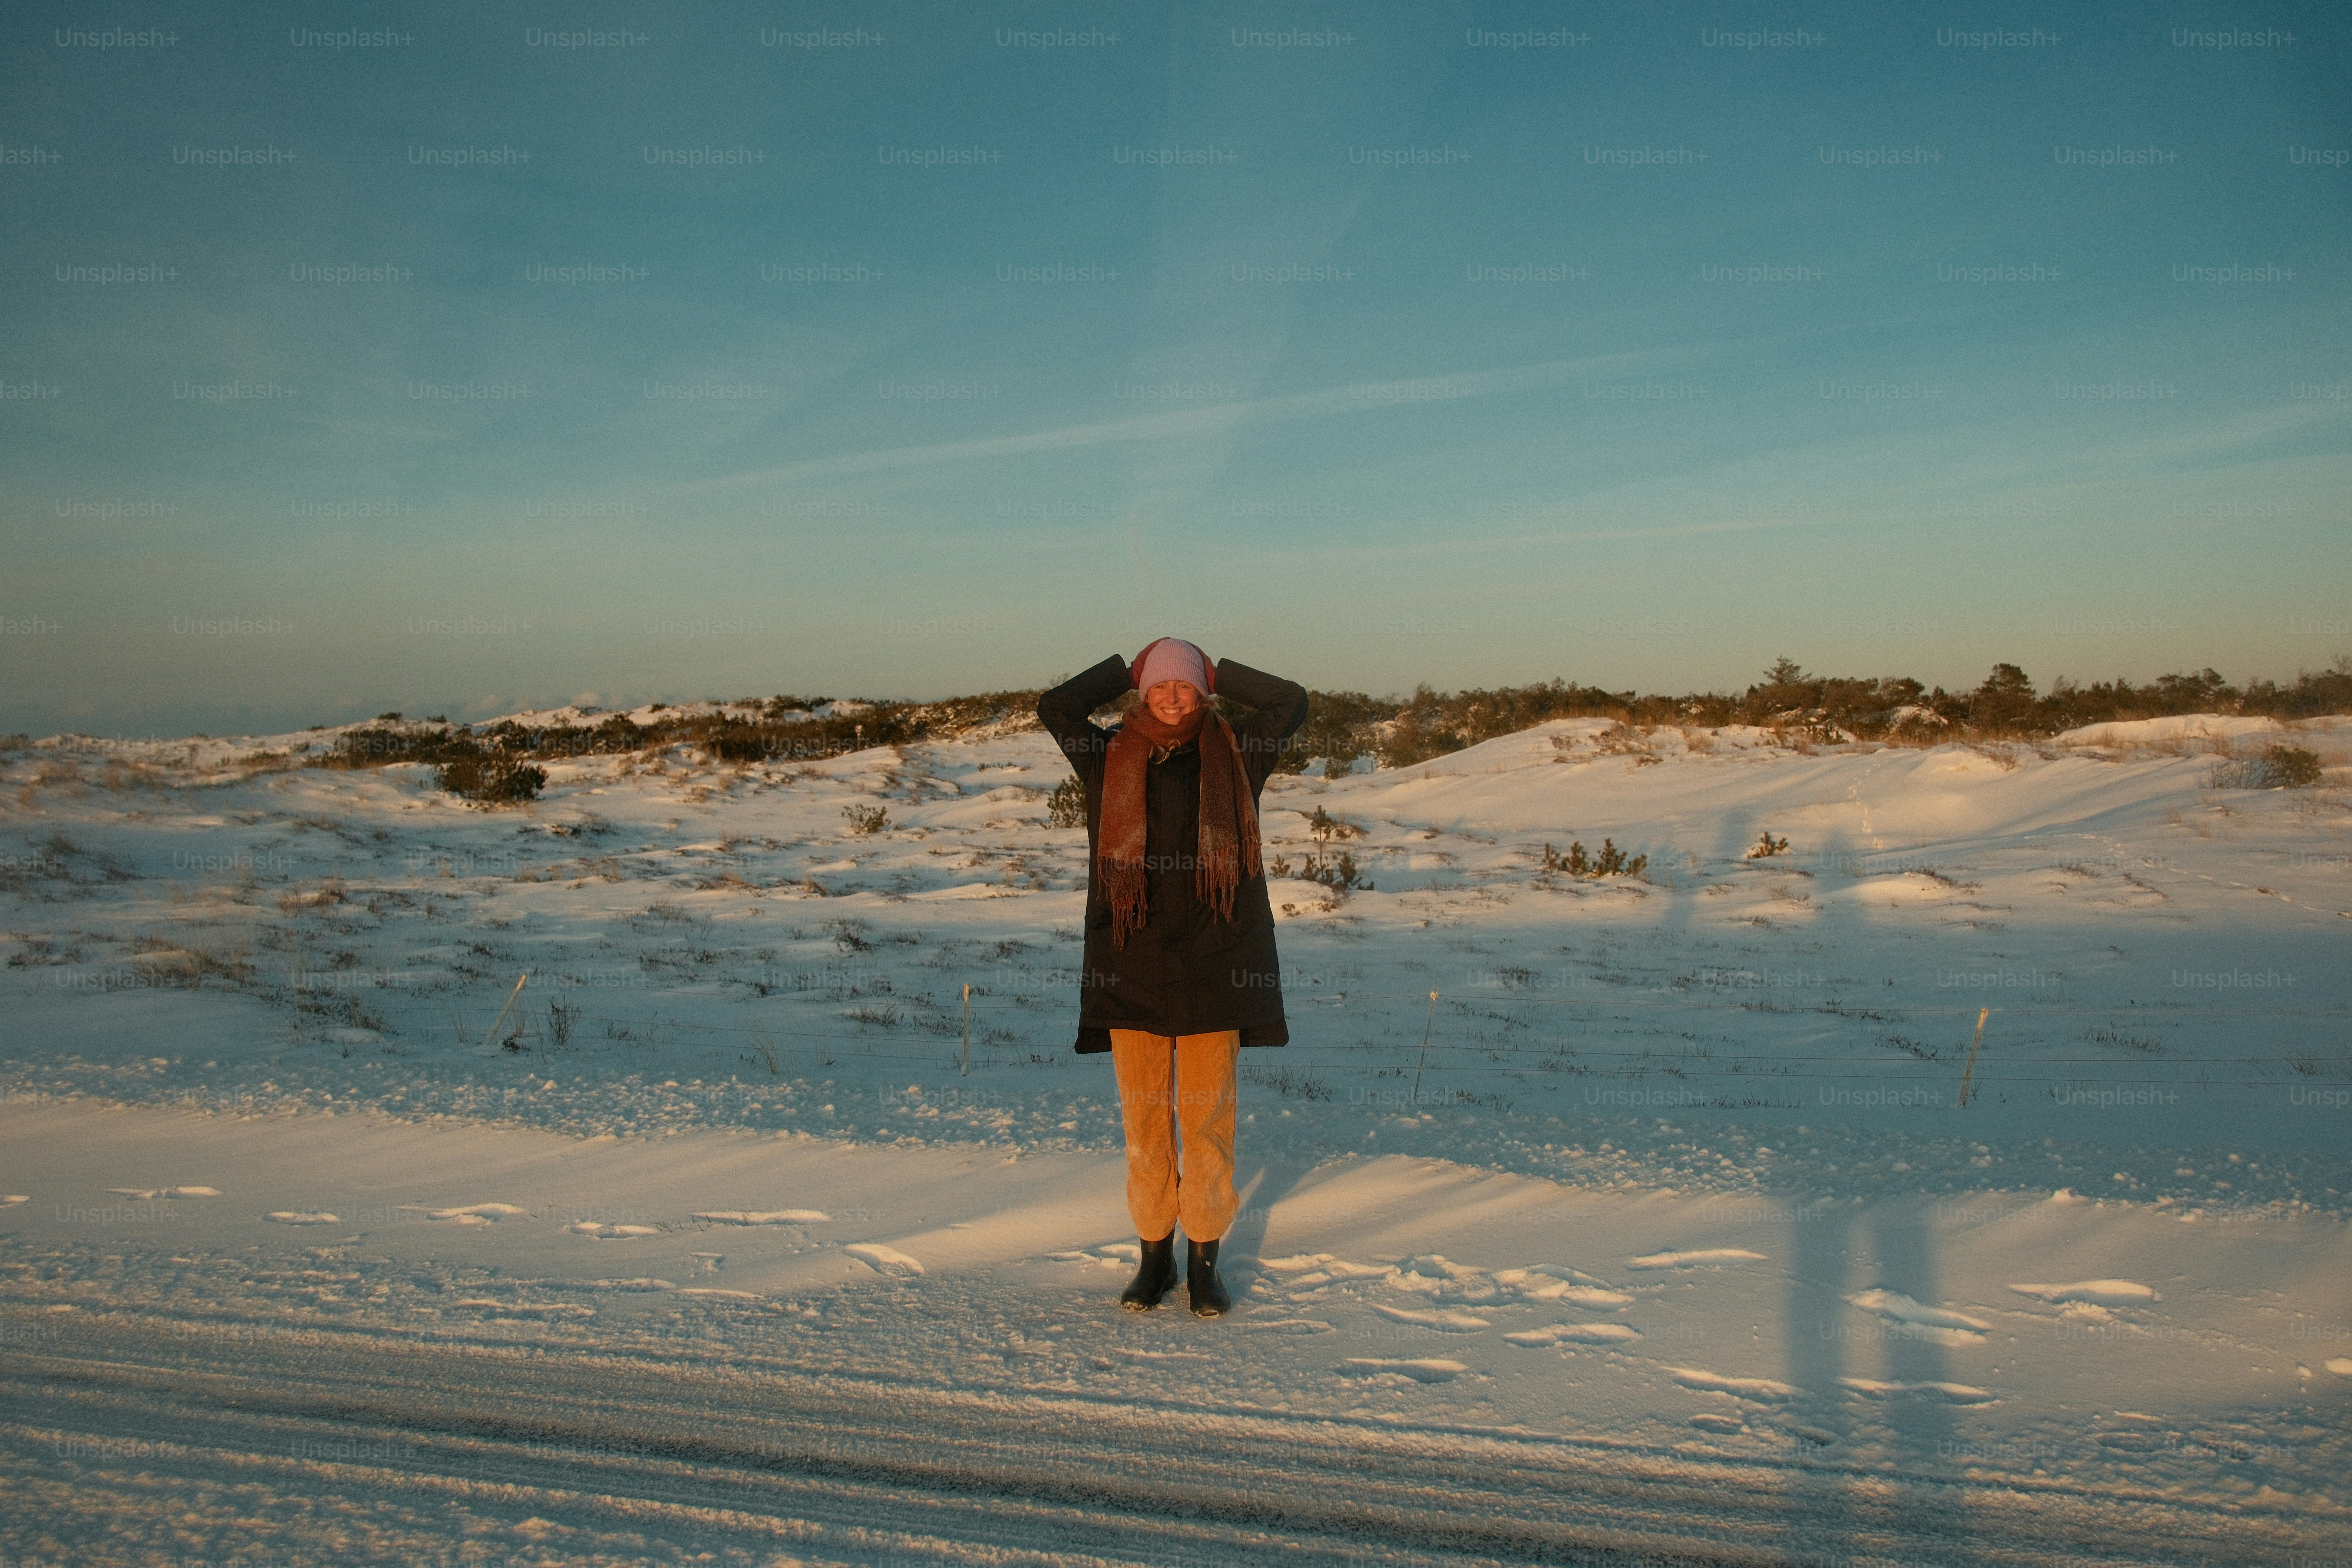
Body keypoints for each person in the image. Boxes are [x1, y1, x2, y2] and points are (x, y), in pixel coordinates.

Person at [1037, 639, 1309, 1316]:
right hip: (1132, 965)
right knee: (1146, 1124)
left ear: (1204, 692)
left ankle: (1204, 1262)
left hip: (1216, 965)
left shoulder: (1239, 752)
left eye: (1185, 686)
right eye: (1158, 686)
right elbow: (1055, 707)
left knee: (1209, 1121)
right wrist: (1120, 667)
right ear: (1141, 693)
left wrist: (1221, 667)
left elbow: (1291, 701)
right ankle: (1154, 1258)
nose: (1171, 696)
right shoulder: (1105, 755)